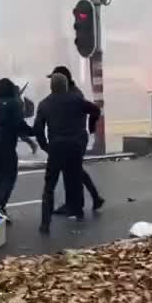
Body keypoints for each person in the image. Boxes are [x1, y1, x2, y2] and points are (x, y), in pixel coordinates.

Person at [34, 73, 101, 234]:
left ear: (52, 87)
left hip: (57, 147)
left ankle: (45, 223)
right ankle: (78, 212)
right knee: (76, 177)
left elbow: (38, 129)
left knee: (49, 185)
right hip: (76, 146)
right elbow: (95, 110)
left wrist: (45, 147)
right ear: (65, 86)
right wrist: (90, 128)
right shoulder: (76, 100)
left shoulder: (45, 104)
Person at [46, 66, 105, 215]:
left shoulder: (73, 95)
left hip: (75, 138)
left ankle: (74, 205)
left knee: (71, 171)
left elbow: (93, 110)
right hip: (75, 137)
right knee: (75, 170)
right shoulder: (69, 94)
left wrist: (91, 127)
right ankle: (92, 198)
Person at [0, 78, 34, 222]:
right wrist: (34, 131)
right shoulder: (14, 104)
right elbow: (19, 124)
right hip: (5, 144)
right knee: (9, 175)